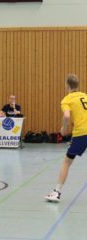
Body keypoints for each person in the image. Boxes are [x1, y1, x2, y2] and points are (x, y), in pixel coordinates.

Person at [45, 74, 87, 202]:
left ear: (67, 85)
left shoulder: (67, 99)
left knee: (67, 162)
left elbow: (67, 116)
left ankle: (56, 192)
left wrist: (63, 129)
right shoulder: (85, 96)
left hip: (82, 133)